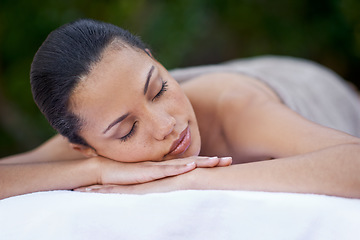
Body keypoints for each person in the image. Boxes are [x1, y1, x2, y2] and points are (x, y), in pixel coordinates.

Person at [1, 19, 360, 200]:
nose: (166, 125)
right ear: (83, 147)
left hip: (314, 86)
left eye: (158, 90)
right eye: (127, 131)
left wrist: (189, 179)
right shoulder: (90, 141)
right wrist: (95, 171)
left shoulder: (235, 108)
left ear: (153, 60)